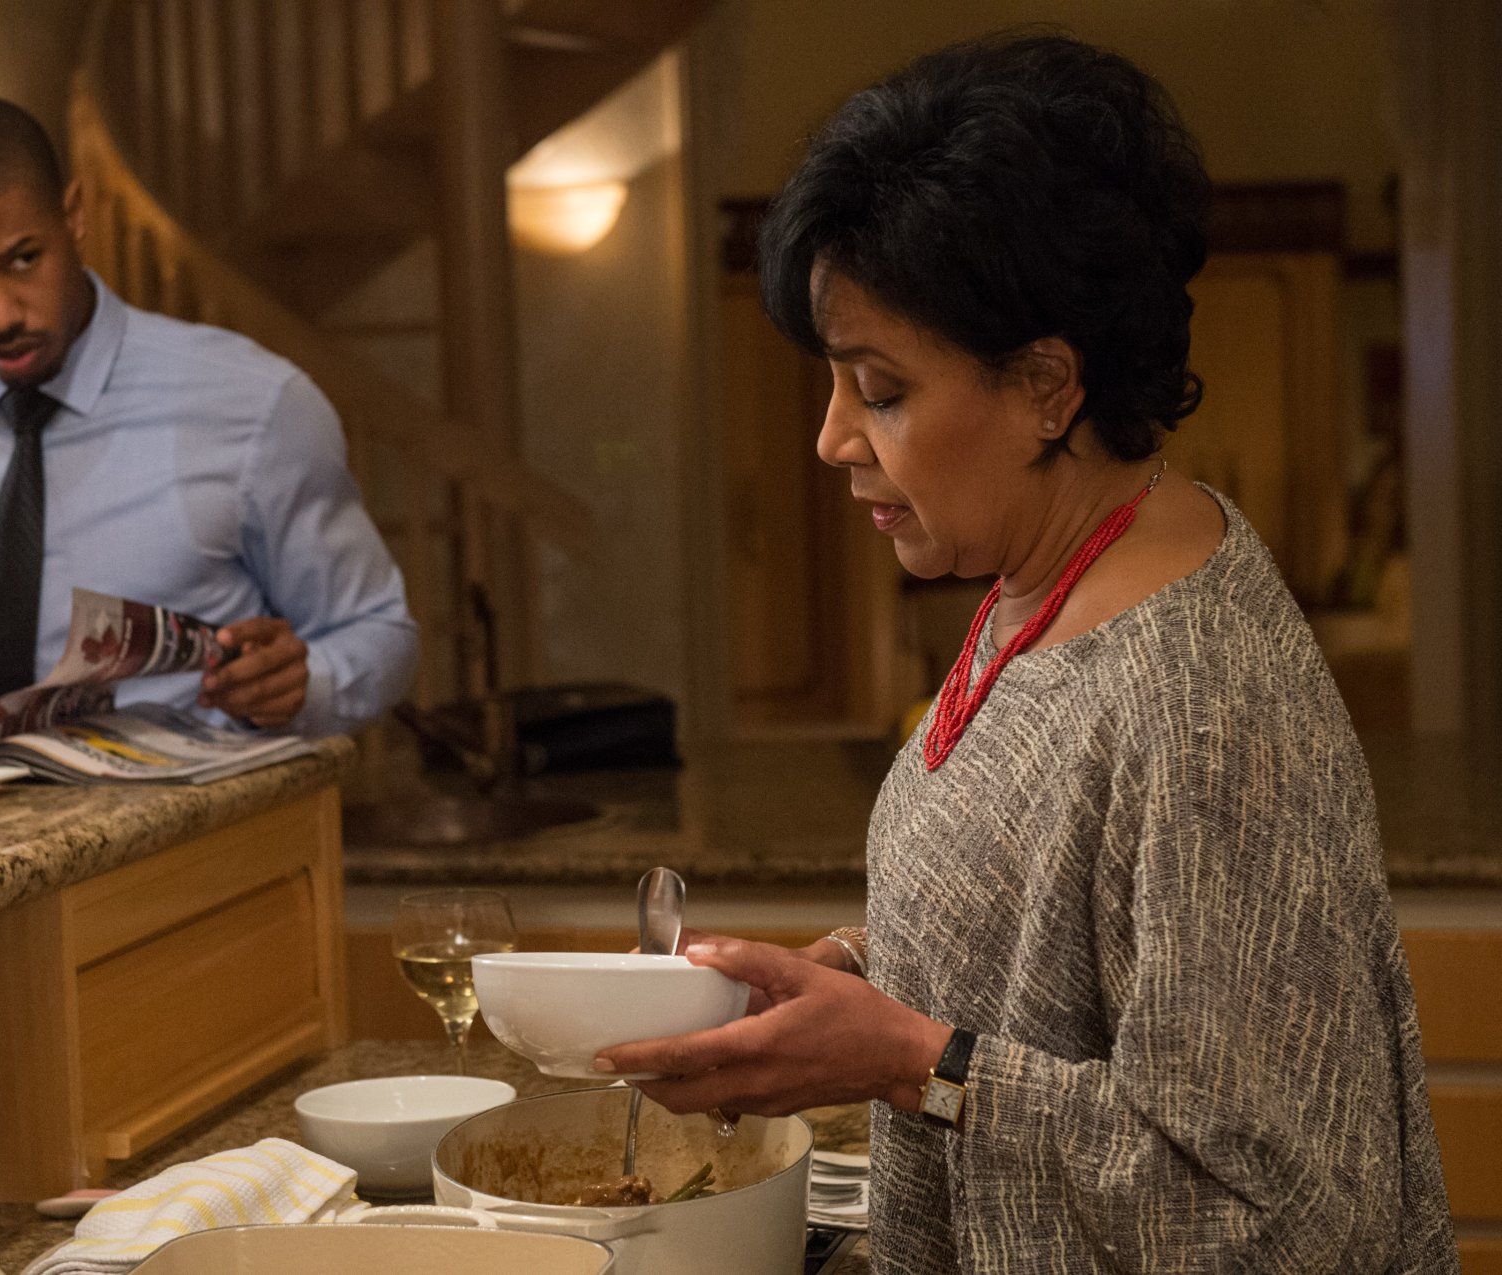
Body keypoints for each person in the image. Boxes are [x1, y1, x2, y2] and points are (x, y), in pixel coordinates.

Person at [598, 32, 1455, 1272]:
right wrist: (845, 981)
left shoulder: (1199, 706)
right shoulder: (1042, 584)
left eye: (879, 389)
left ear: (1048, 385)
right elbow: (1068, 948)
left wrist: (909, 1064)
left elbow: (1284, 1221)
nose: (833, 439)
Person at [0, 96, 416, 738]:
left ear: (73, 216)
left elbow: (380, 634)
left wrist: (303, 684)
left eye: (22, 259)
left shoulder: (252, 405)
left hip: (192, 828)